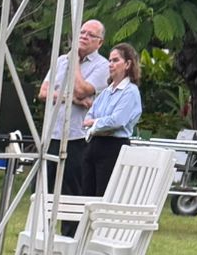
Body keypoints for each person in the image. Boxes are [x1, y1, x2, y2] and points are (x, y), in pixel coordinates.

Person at [37, 19, 108, 198]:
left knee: (72, 192)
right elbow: (43, 92)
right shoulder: (61, 61)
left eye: (90, 35)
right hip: (52, 134)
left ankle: (69, 219)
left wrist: (75, 62)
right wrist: (71, 99)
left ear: (100, 42)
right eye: (82, 32)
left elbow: (81, 90)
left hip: (78, 137)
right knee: (42, 189)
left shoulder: (103, 66)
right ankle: (42, 218)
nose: (84, 37)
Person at [81, 43, 144, 196]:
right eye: (109, 60)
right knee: (86, 194)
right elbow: (88, 116)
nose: (110, 64)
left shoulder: (130, 92)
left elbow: (117, 121)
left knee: (104, 195)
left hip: (113, 148)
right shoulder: (106, 92)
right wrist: (98, 127)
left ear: (127, 64)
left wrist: (95, 124)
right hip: (94, 145)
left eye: (115, 60)